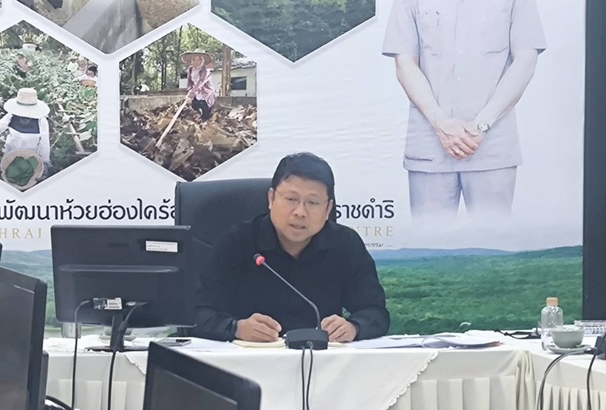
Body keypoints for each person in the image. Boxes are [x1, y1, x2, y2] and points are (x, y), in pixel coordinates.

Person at [194, 152, 391, 343]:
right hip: (248, 360)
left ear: (328, 209)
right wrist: (236, 328)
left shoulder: (345, 244)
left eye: (312, 202)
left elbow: (375, 312)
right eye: (291, 199)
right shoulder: (236, 242)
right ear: (271, 198)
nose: (300, 212)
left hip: (322, 360)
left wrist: (353, 327)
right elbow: (197, 314)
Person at [382, 0, 546, 220]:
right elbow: (404, 63)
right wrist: (440, 122)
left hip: (492, 145)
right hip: (430, 143)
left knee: (494, 237)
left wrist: (483, 124)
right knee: (428, 238)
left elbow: (526, 61)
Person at [0, 87, 51, 178]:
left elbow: (44, 145)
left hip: (30, 164)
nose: (25, 118)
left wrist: (45, 163)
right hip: (9, 161)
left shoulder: (41, 122)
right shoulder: (11, 117)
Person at [181, 49, 216, 121]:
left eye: (198, 60)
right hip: (195, 95)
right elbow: (190, 83)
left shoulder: (205, 71)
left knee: (205, 116)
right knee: (194, 114)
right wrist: (189, 93)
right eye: (194, 60)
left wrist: (191, 95)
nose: (195, 62)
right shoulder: (190, 70)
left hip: (206, 95)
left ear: (202, 61)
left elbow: (200, 84)